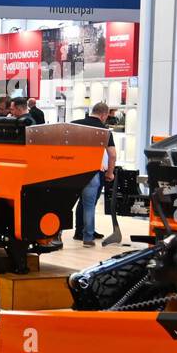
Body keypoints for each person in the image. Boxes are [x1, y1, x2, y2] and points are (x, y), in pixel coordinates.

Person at [72, 101, 117, 247]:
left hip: (71, 172)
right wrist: (110, 173)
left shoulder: (74, 124)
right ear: (104, 114)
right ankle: (88, 238)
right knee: (89, 206)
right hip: (91, 173)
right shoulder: (104, 131)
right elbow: (112, 154)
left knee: (63, 205)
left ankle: (55, 236)